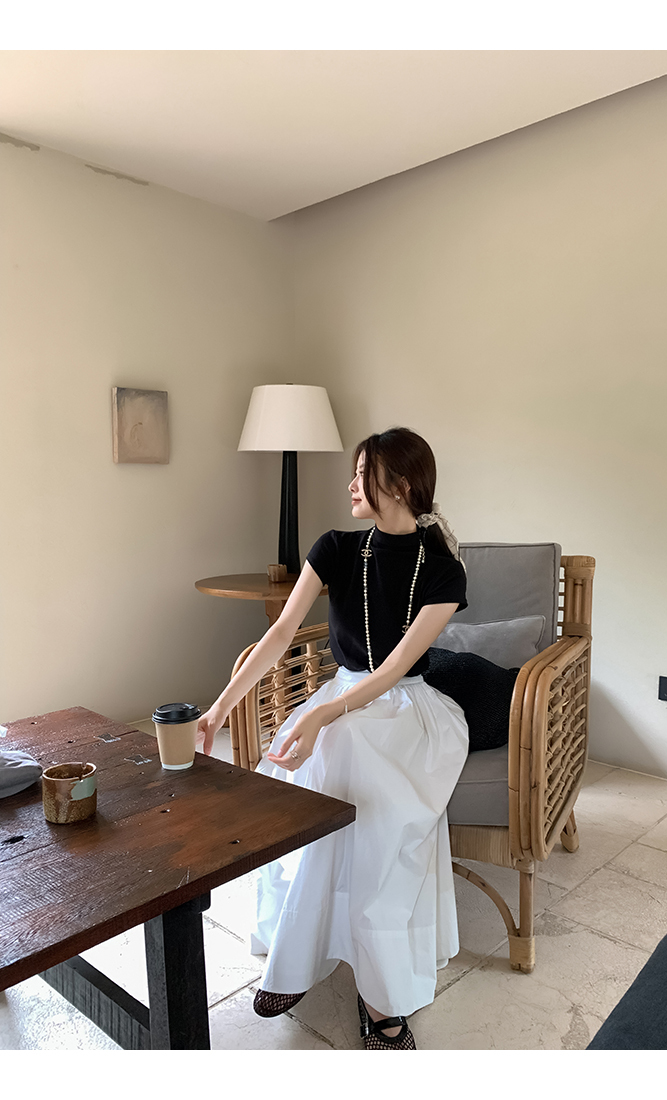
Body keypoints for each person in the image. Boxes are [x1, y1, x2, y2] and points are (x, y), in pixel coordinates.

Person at [196, 427, 469, 1050]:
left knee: (357, 786)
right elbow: (277, 636)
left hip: (405, 709)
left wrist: (323, 717)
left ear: (399, 485)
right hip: (342, 699)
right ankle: (300, 956)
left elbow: (394, 670)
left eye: (362, 472)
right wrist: (218, 708)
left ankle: (378, 999)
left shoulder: (444, 572)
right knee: (323, 779)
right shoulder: (336, 547)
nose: (350, 484)